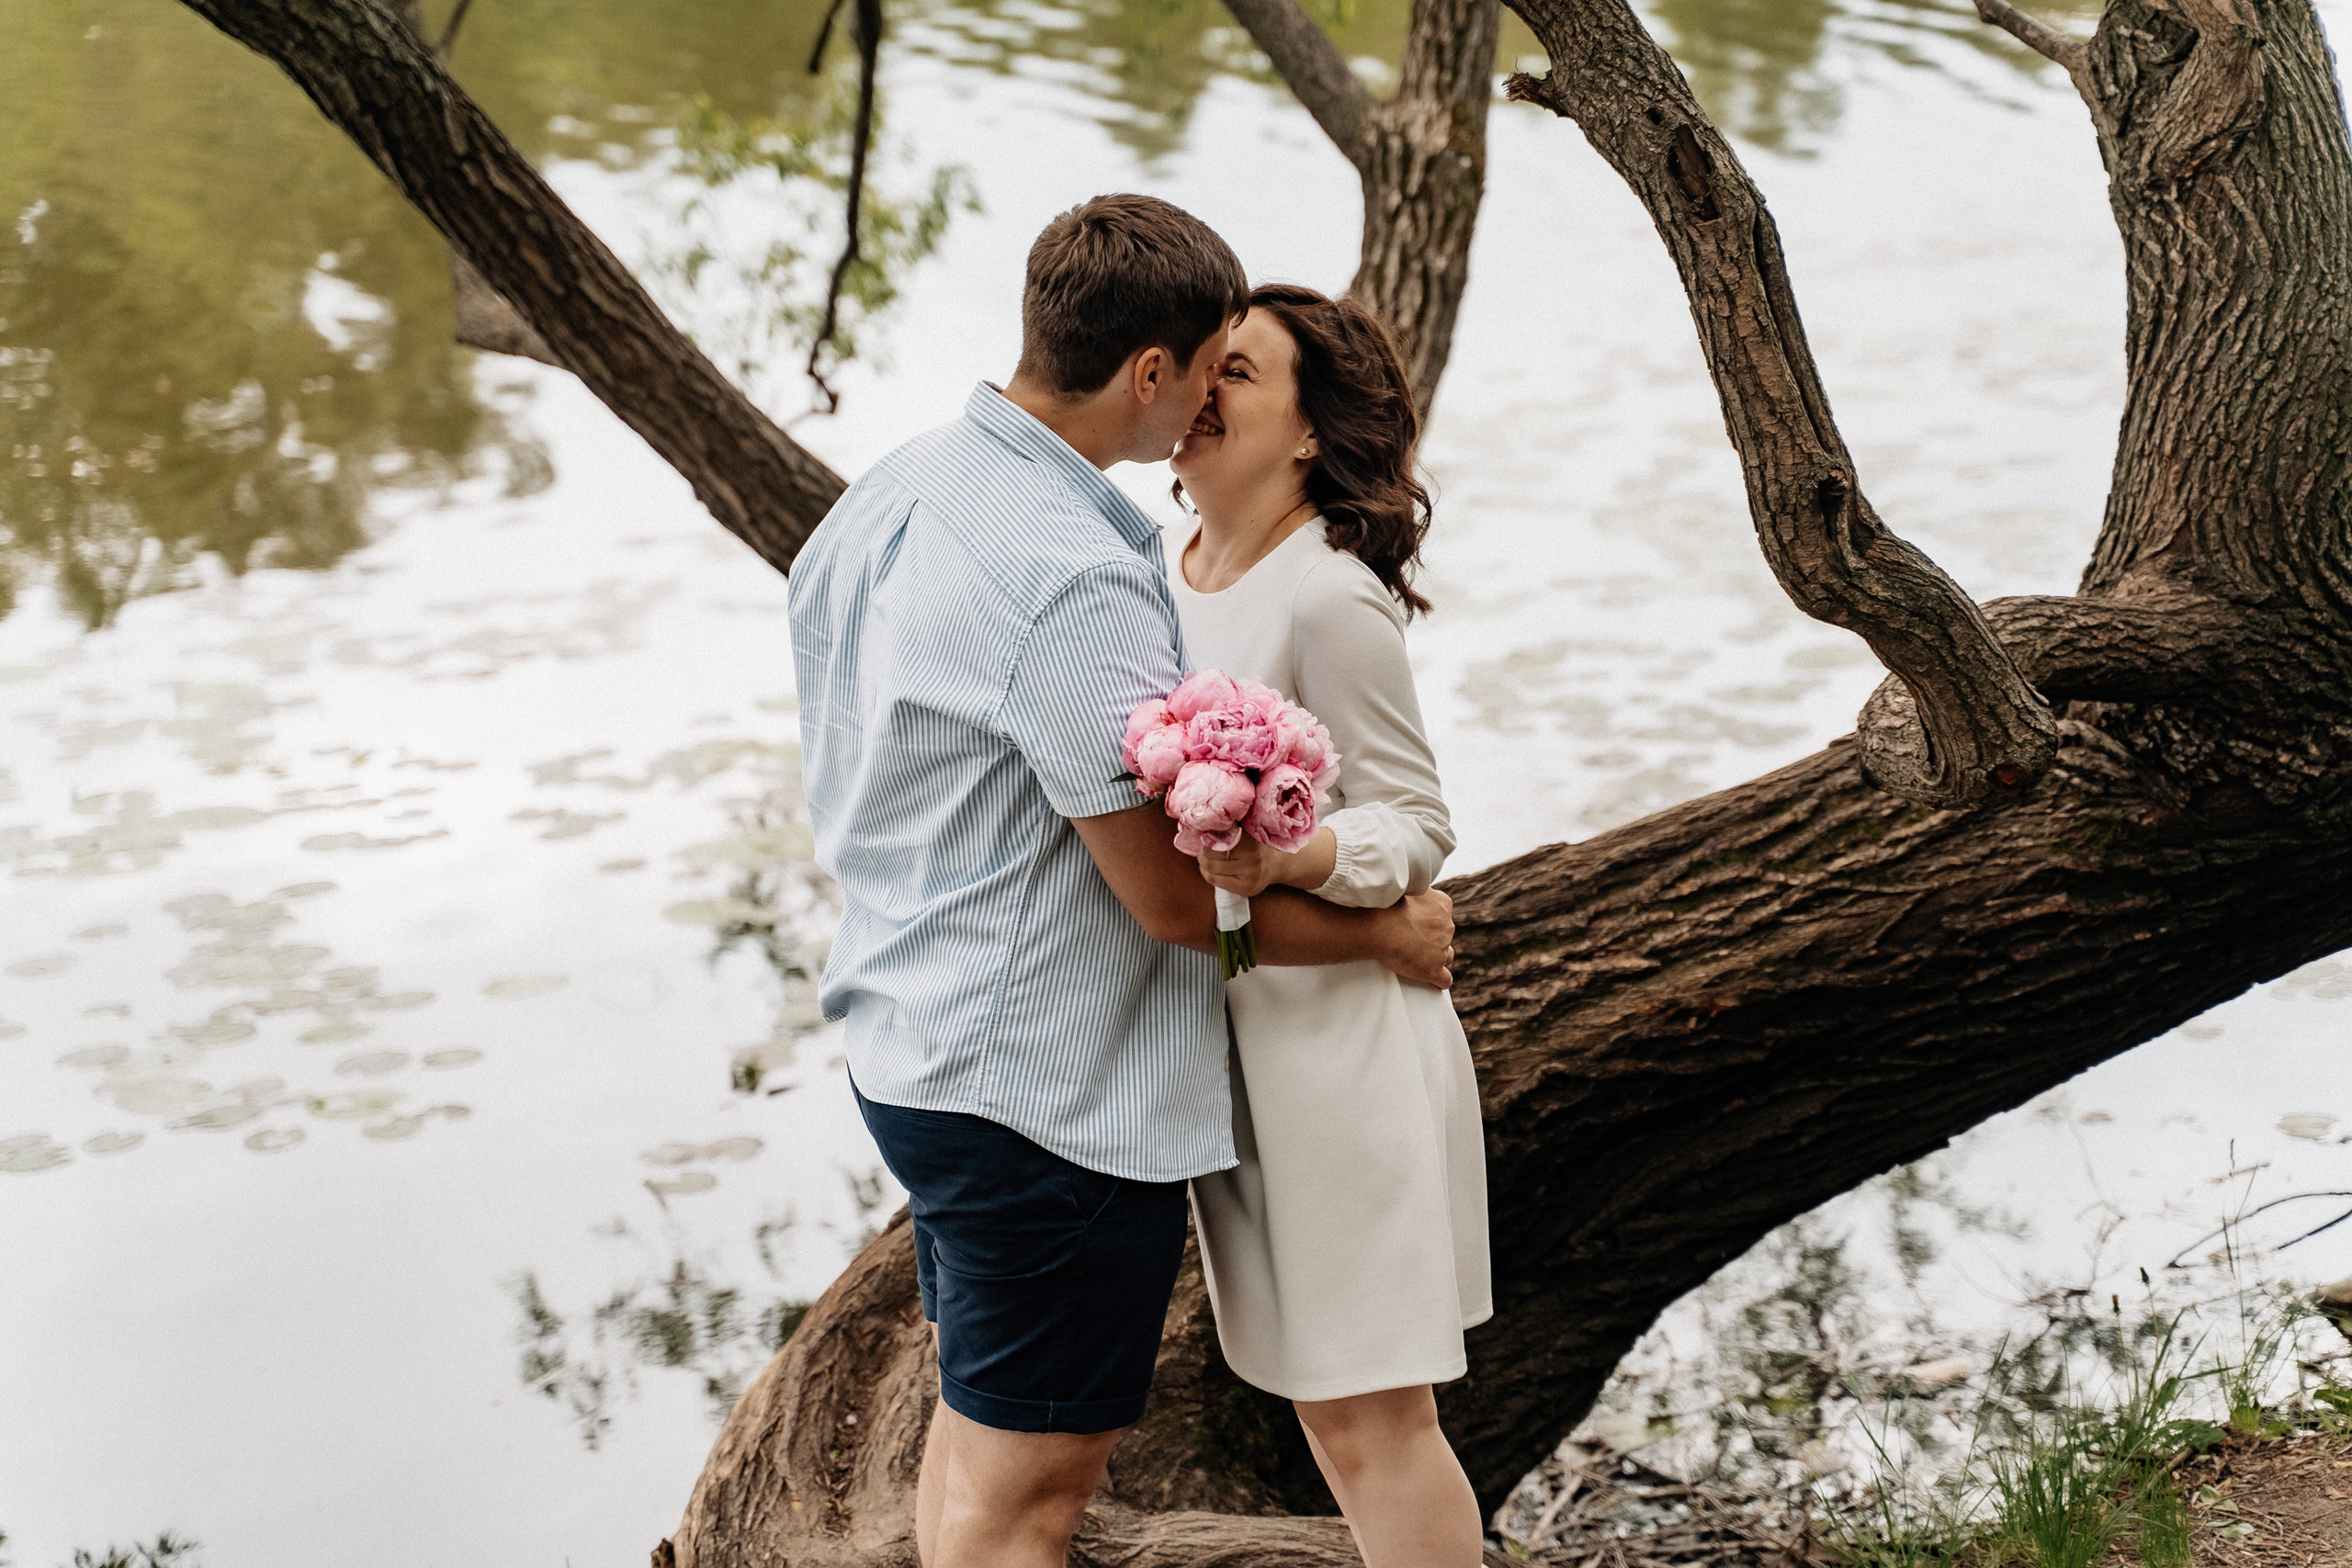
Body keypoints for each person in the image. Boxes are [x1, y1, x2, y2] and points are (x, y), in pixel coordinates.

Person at [788, 198, 1458, 1568]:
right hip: (1047, 1094)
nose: (1215, 392)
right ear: (1149, 374)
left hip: (916, 1043)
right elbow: (1166, 903)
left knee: (981, 1464)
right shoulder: (1080, 577)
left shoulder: (893, 493)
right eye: (1213, 361)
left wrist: (1334, 866)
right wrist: (1383, 931)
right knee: (1026, 1498)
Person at [1170, 283, 1491, 1567]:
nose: (1203, 392)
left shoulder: (1328, 597)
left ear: (1308, 432)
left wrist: (1289, 851)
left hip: (1342, 1056)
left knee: (1374, 1417)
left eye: (1237, 373)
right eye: (1201, 365)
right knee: (1320, 1402)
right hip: (1235, 1028)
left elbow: (1416, 824)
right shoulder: (1161, 568)